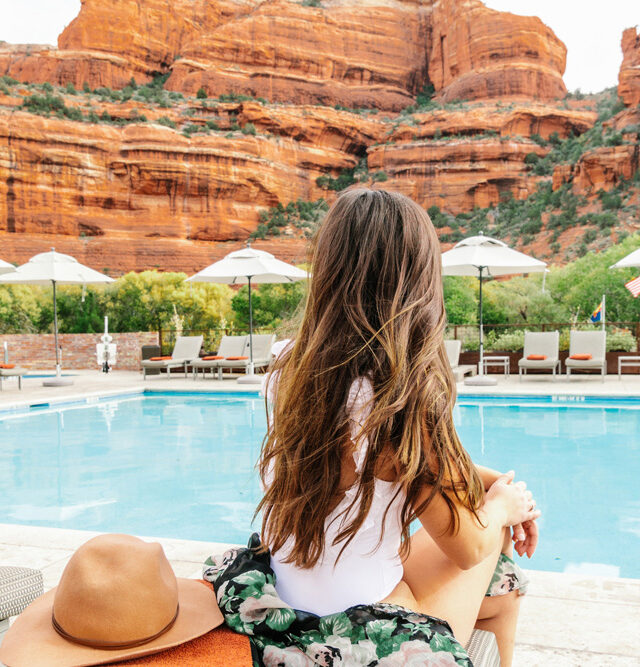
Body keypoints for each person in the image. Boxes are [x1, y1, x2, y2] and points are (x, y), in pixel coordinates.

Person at [206, 188, 540, 666]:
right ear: (417, 282)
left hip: (282, 606)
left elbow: (438, 466)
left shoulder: (287, 368)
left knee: (501, 592)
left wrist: (500, 484)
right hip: (358, 633)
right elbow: (468, 549)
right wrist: (507, 507)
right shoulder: (399, 399)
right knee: (495, 543)